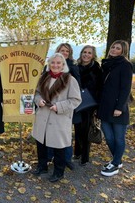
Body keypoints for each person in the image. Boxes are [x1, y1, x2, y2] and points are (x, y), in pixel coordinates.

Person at [32, 53, 81, 183]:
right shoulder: (44, 77)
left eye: (58, 63)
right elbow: (36, 93)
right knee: (41, 143)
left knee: (59, 147)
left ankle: (59, 172)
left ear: (63, 65)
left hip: (59, 118)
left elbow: (76, 100)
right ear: (49, 64)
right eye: (53, 63)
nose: (55, 65)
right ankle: (42, 166)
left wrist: (59, 106)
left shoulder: (70, 80)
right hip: (43, 116)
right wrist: (38, 100)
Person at [97, 40, 133, 177]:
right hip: (105, 107)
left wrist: (119, 107)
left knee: (118, 138)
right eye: (113, 47)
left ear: (123, 51)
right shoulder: (106, 64)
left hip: (118, 108)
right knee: (109, 137)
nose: (114, 49)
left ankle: (115, 164)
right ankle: (117, 159)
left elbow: (126, 88)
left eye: (118, 48)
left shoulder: (125, 65)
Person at [54, 43, 81, 170]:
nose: (64, 53)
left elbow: (76, 88)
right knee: (51, 133)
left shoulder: (72, 67)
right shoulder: (51, 65)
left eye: (67, 51)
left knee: (65, 134)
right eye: (62, 50)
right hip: (51, 105)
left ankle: (67, 159)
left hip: (66, 105)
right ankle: (52, 157)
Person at [75, 45, 102, 166]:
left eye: (89, 53)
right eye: (84, 52)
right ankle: (77, 152)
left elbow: (100, 88)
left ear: (93, 55)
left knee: (86, 129)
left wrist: (97, 106)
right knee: (77, 128)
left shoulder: (96, 68)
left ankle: (85, 157)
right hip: (75, 102)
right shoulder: (76, 67)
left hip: (89, 104)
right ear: (81, 54)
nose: (86, 54)